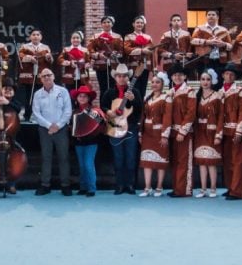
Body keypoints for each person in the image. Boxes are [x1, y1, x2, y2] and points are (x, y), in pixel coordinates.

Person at [101, 62, 148, 195]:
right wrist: (108, 112)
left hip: (131, 127)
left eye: (124, 76)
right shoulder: (109, 92)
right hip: (114, 127)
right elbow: (103, 106)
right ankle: (119, 184)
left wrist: (133, 100)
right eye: (119, 76)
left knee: (131, 157)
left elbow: (140, 110)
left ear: (128, 77)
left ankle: (130, 184)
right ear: (115, 77)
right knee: (118, 157)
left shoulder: (135, 91)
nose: (121, 78)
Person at [32, 69, 73, 196]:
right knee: (46, 157)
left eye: (49, 75)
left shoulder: (63, 91)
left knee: (63, 157)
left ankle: (65, 185)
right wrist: (49, 126)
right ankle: (45, 185)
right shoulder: (38, 94)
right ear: (40, 79)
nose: (47, 77)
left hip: (61, 129)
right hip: (45, 130)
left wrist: (58, 125)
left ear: (54, 76)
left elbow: (68, 111)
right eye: (44, 76)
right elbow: (36, 113)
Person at [140, 72, 173, 197]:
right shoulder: (147, 98)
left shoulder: (166, 98)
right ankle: (147, 187)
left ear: (163, 84)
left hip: (159, 132)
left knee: (161, 160)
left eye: (157, 82)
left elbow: (167, 117)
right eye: (153, 82)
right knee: (146, 160)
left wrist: (165, 135)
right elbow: (142, 117)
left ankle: (159, 187)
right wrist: (140, 133)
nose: (154, 84)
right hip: (147, 133)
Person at [166, 63, 196, 198]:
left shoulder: (190, 91)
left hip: (183, 133)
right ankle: (176, 188)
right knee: (175, 161)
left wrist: (183, 131)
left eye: (180, 75)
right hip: (171, 132)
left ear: (184, 76)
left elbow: (191, 113)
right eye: (175, 75)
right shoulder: (170, 92)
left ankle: (184, 189)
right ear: (171, 77)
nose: (177, 77)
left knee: (184, 160)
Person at [193, 69, 223, 198]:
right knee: (202, 160)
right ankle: (203, 189)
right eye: (203, 79)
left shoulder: (217, 96)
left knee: (211, 161)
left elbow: (221, 116)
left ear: (212, 81)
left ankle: (213, 188)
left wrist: (218, 134)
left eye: (208, 79)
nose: (205, 82)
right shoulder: (196, 96)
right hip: (200, 131)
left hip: (211, 131)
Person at [71, 85, 105, 197]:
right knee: (81, 165)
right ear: (77, 98)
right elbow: (71, 126)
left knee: (88, 164)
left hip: (92, 142)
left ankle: (91, 188)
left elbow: (102, 124)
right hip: (78, 142)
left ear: (88, 98)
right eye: (80, 96)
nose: (82, 98)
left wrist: (95, 130)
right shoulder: (74, 112)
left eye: (84, 96)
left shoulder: (92, 111)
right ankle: (83, 187)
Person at [221, 62, 242, 200]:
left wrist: (240, 130)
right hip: (223, 131)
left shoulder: (240, 91)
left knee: (238, 161)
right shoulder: (219, 92)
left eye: (232, 74)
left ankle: (237, 190)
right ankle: (230, 186)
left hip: (235, 130)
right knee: (227, 161)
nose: (229, 76)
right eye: (227, 74)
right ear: (223, 75)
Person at [18, 28, 53, 121]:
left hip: (40, 75)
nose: (35, 36)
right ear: (30, 37)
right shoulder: (24, 46)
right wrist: (29, 57)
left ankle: (41, 116)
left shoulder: (46, 47)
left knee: (41, 96)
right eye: (33, 35)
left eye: (38, 35)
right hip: (29, 75)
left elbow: (50, 61)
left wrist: (48, 57)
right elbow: (20, 56)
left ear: (41, 37)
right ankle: (27, 115)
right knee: (29, 96)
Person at [87, 15, 124, 97]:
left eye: (108, 22)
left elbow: (121, 50)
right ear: (101, 24)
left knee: (113, 87)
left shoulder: (118, 37)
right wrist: (99, 55)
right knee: (103, 87)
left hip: (114, 65)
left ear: (112, 24)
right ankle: (103, 108)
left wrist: (116, 54)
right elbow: (90, 50)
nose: (106, 24)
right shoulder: (95, 37)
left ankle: (114, 106)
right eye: (104, 22)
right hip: (100, 65)